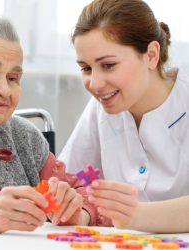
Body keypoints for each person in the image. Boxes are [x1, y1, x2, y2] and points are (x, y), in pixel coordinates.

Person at [0, 9, 93, 233]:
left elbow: (86, 195)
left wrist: (75, 211)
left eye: (13, 78)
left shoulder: (26, 138)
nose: (4, 90)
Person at [58, 0, 189, 233]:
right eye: (86, 69)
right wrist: (70, 207)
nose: (95, 84)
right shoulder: (102, 107)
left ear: (151, 55)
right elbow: (69, 179)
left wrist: (133, 215)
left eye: (108, 65)